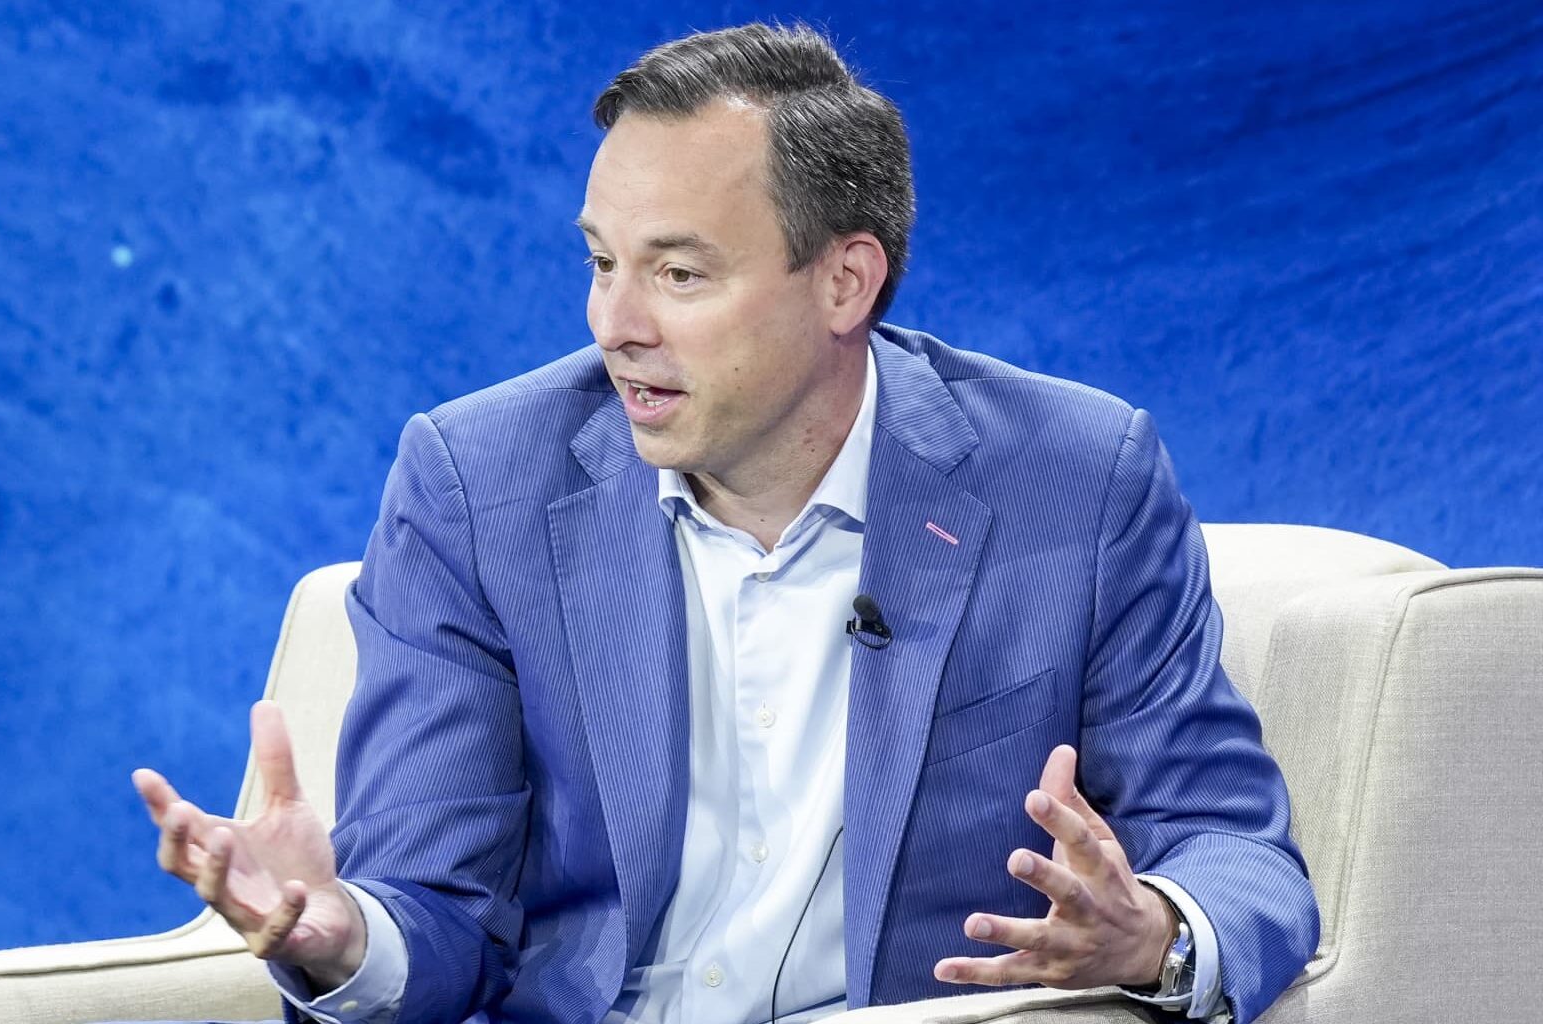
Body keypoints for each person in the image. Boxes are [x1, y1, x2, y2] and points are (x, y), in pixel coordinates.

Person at [130, 22, 1318, 1024]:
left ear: (845, 282)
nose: (616, 322)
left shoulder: (1074, 479)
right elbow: (434, 912)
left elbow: (1235, 850)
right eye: (601, 262)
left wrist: (1153, 935)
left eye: (679, 274)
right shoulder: (478, 486)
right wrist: (343, 935)